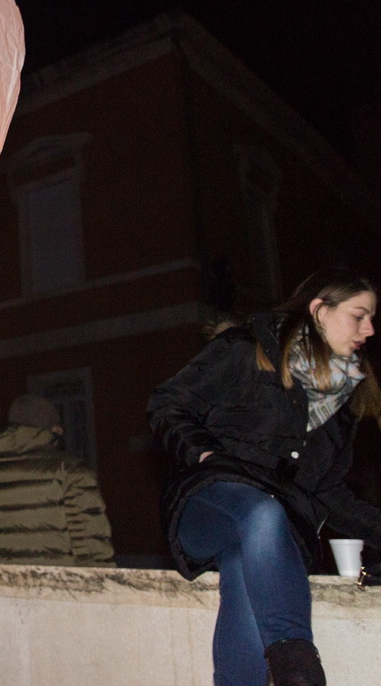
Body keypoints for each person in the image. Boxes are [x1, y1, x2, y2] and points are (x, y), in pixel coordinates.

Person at [148, 268, 381, 686]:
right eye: (359, 315)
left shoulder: (346, 402)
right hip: (208, 504)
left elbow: (328, 490)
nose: (369, 329)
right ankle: (299, 668)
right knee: (261, 512)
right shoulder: (244, 350)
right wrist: (205, 454)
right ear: (319, 311)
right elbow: (167, 404)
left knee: (244, 565)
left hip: (273, 530)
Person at [0, 394, 115, 567]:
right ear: (53, 429)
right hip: (61, 589)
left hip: (2, 589)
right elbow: (91, 545)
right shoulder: (72, 471)